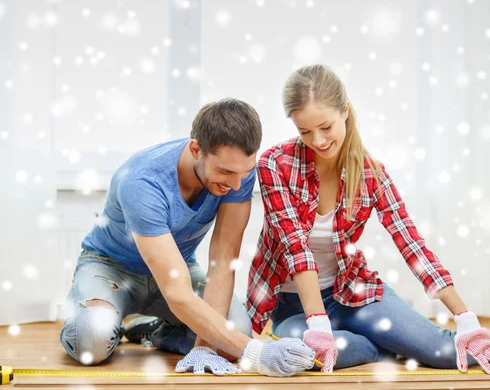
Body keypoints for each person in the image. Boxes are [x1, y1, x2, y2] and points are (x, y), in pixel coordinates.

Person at [246, 65, 490, 373]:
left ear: (345, 111)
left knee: (445, 351)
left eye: (325, 127)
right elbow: (296, 249)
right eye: (305, 131)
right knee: (302, 353)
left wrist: (466, 319)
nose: (317, 141)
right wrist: (318, 322)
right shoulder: (275, 165)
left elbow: (412, 245)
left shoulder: (372, 174)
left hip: (352, 294)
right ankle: (385, 346)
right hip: (294, 305)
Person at [60, 98, 315, 377]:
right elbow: (177, 291)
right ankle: (96, 316)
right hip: (111, 269)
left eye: (243, 172)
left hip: (177, 267)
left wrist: (207, 347)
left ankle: (151, 330)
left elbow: (222, 261)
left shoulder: (238, 173)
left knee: (234, 336)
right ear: (196, 149)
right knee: (93, 343)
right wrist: (257, 352)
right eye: (225, 172)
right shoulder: (141, 181)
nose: (236, 185)